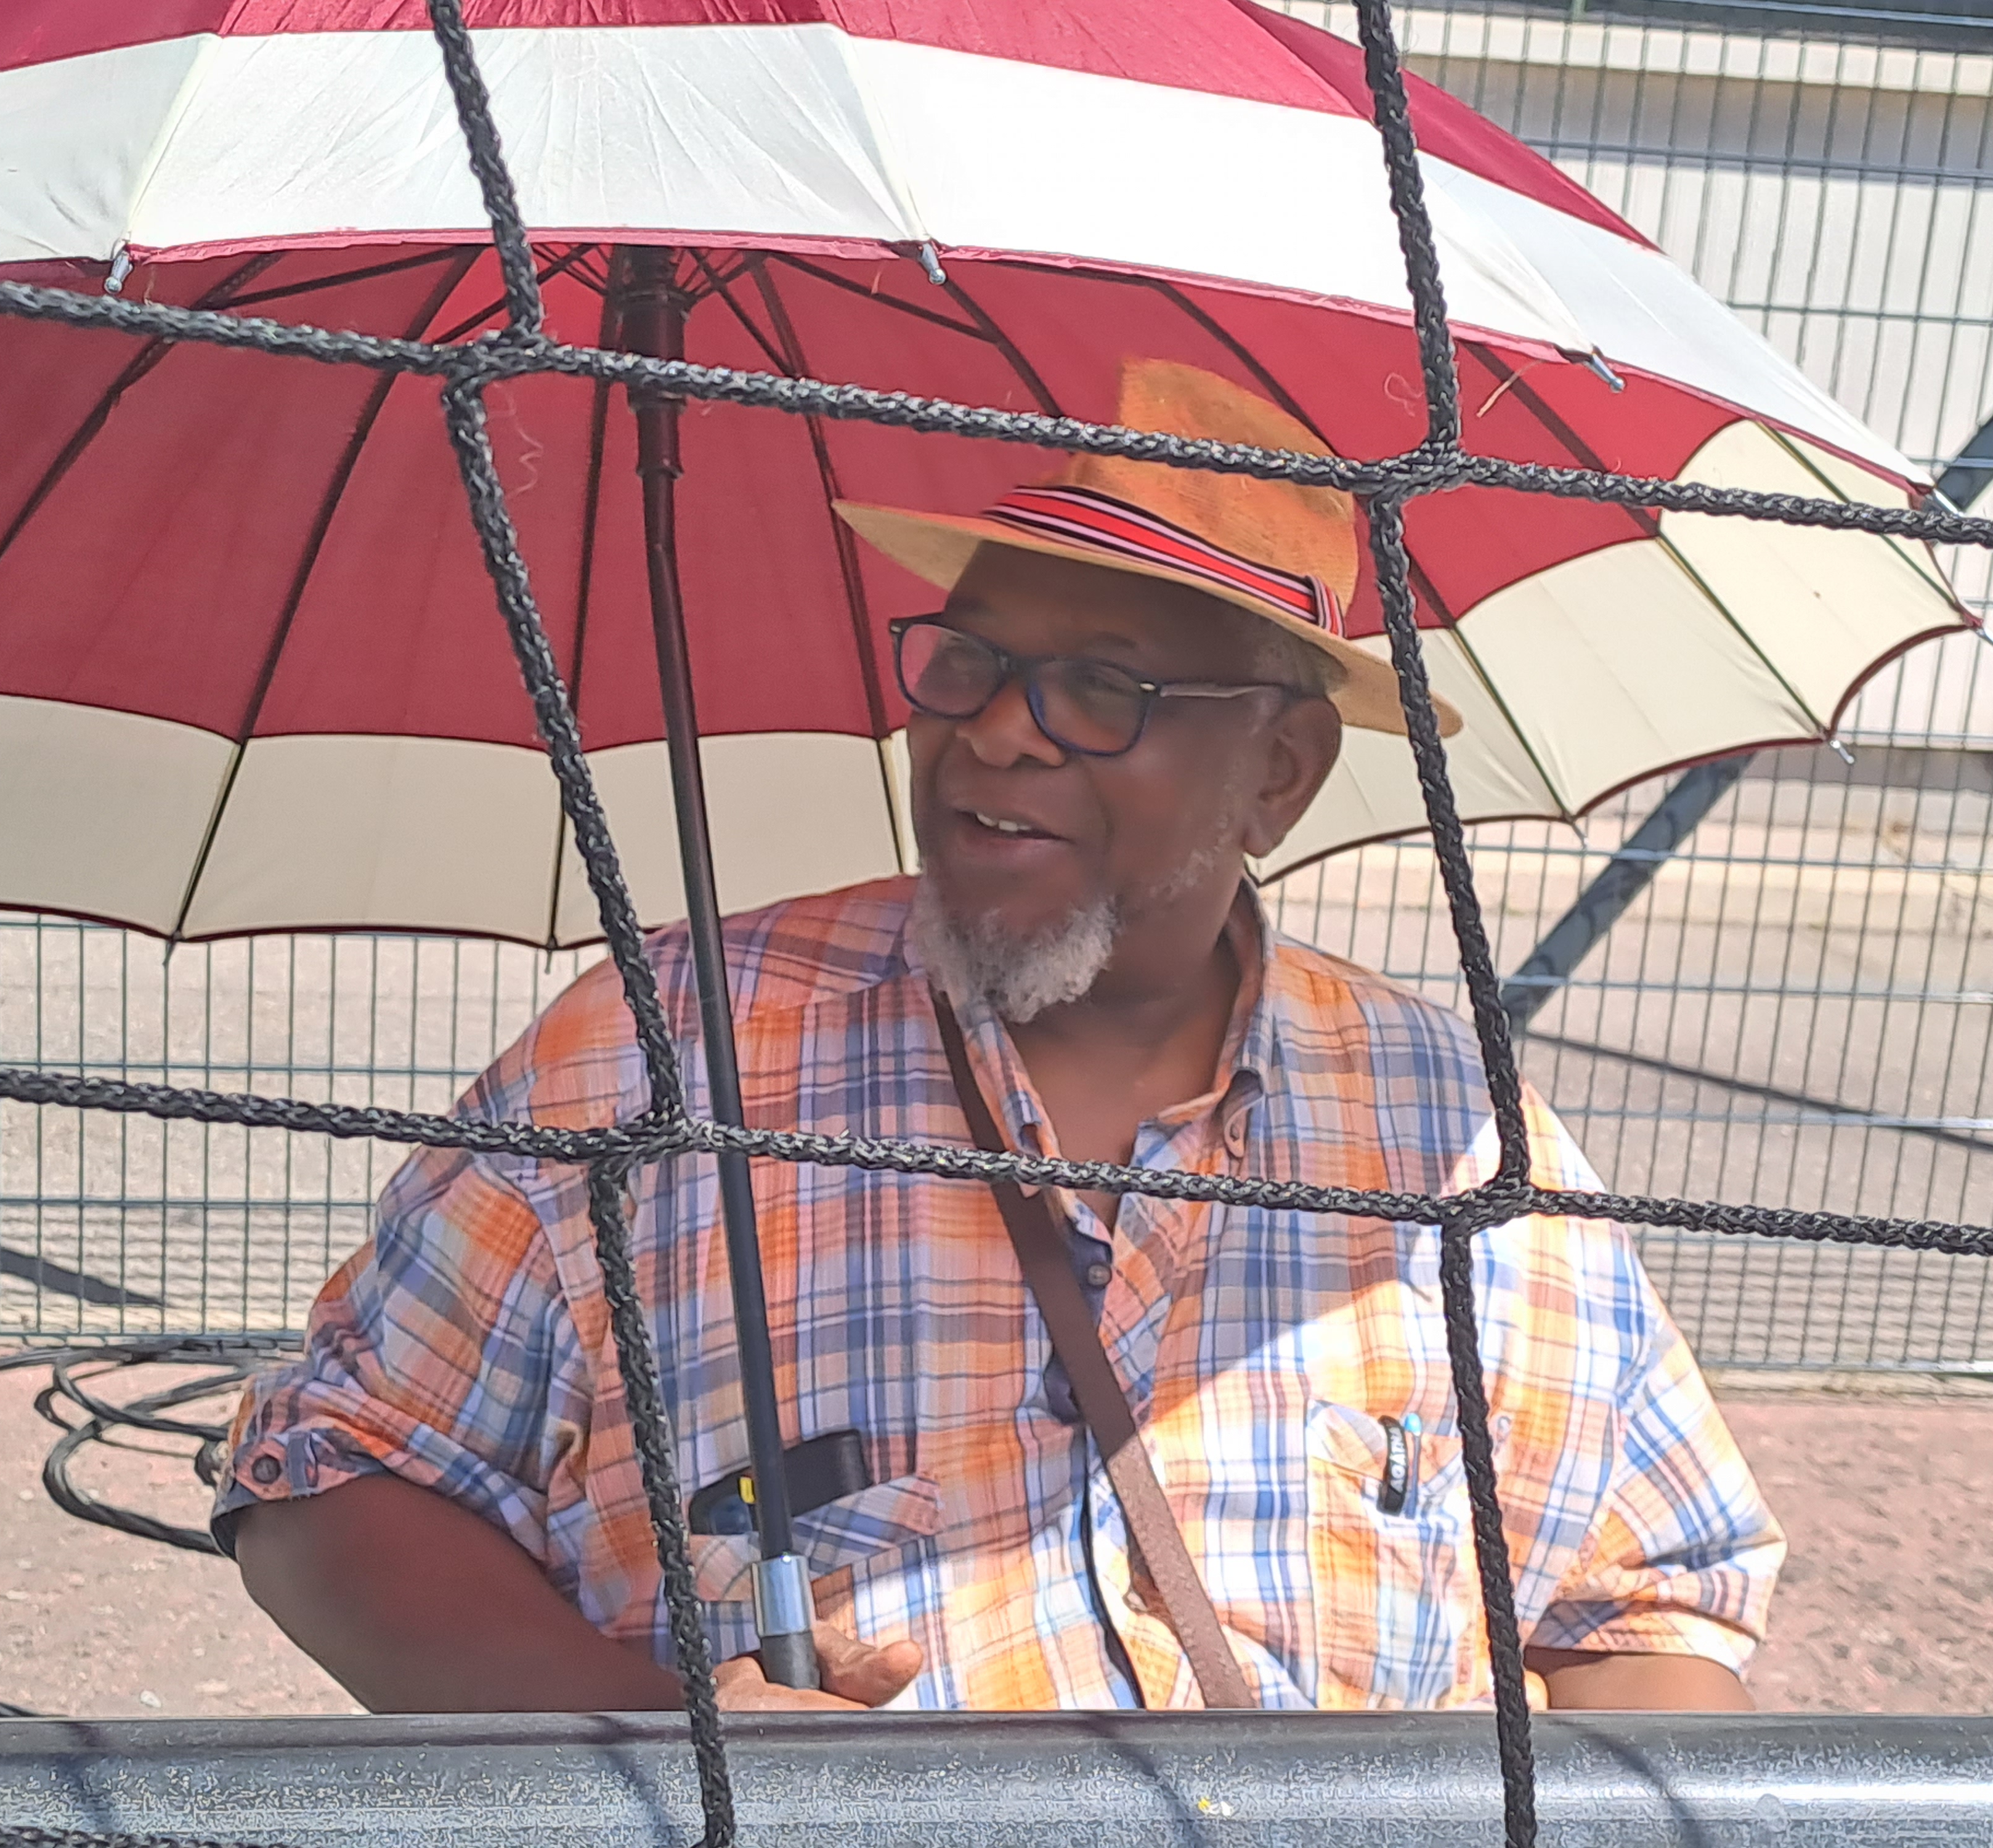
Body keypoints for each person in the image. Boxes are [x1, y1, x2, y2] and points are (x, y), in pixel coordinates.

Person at [217, 359, 1783, 1715]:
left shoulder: (1456, 1136)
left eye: (1102, 687)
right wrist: (659, 1755)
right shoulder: (661, 1061)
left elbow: (1645, 1607)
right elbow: (332, 1475)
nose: (997, 729)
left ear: (1280, 775)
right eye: (968, 662)